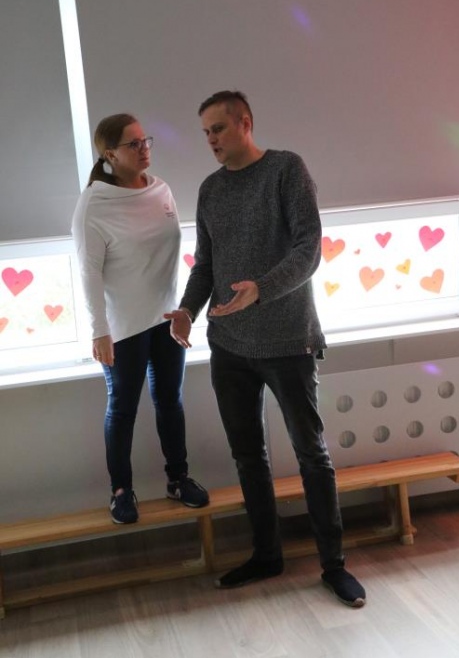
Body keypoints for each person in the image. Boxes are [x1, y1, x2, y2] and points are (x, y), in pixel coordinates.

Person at [164, 91, 366, 607]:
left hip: (288, 340)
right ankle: (266, 554)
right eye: (205, 132)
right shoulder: (210, 190)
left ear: (245, 123)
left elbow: (309, 250)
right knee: (248, 456)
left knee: (311, 454)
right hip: (229, 346)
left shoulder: (285, 171)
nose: (210, 140)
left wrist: (262, 288)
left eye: (218, 129)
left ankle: (334, 565)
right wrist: (187, 309)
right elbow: (206, 265)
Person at [72, 113, 209, 525]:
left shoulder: (160, 189)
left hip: (166, 319)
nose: (144, 148)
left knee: (170, 400)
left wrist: (184, 310)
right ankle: (121, 491)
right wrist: (99, 331)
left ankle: (178, 478)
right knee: (123, 408)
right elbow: (88, 273)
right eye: (133, 144)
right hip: (122, 328)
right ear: (110, 154)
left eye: (145, 140)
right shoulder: (93, 205)